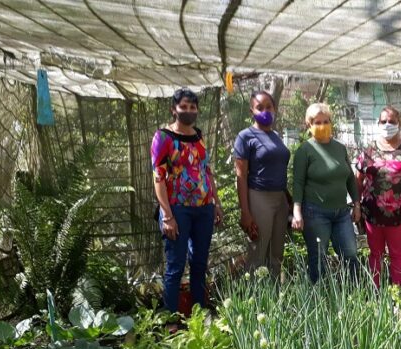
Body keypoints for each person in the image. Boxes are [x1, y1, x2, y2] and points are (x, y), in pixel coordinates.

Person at [151, 88, 224, 313]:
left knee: (200, 264)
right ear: (174, 109)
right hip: (177, 210)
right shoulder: (163, 137)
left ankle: (198, 316)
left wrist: (216, 204)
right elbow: (158, 177)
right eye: (184, 107)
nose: (189, 111)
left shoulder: (199, 136)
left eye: (193, 107)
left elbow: (206, 171)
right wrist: (168, 216)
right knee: (175, 267)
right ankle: (170, 320)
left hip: (203, 209)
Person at [356, 106, 401, 287]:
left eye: (392, 121)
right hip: (372, 215)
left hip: (398, 215)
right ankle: (375, 292)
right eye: (384, 121)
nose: (388, 124)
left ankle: (397, 293)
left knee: (397, 253)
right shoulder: (369, 150)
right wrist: (356, 205)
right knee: (375, 254)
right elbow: (358, 180)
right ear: (378, 124)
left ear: (399, 123)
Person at [291, 103, 360, 283]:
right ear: (309, 125)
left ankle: (355, 294)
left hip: (342, 212)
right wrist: (297, 211)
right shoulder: (304, 151)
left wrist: (357, 204)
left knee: (350, 253)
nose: (322, 125)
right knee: (318, 258)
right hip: (315, 213)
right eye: (317, 122)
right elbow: (297, 183)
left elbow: (350, 178)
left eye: (326, 121)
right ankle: (320, 297)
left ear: (331, 123)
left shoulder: (340, 148)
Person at [232, 91, 291, 277]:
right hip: (259, 197)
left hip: (280, 200)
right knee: (258, 253)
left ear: (274, 109)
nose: (265, 111)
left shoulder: (275, 135)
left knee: (276, 254)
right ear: (252, 110)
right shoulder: (245, 136)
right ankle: (254, 300)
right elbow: (240, 176)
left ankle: (274, 299)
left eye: (269, 107)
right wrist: (245, 212)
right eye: (260, 107)